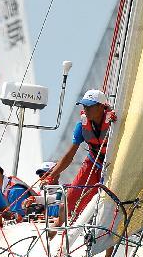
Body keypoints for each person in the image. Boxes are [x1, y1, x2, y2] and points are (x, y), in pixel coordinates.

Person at [42, 89, 116, 221]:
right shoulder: (81, 126)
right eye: (84, 106)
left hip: (113, 167)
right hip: (93, 164)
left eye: (89, 106)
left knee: (106, 205)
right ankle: (57, 228)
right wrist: (51, 175)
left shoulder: (115, 123)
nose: (85, 109)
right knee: (67, 203)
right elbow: (70, 155)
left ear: (101, 106)